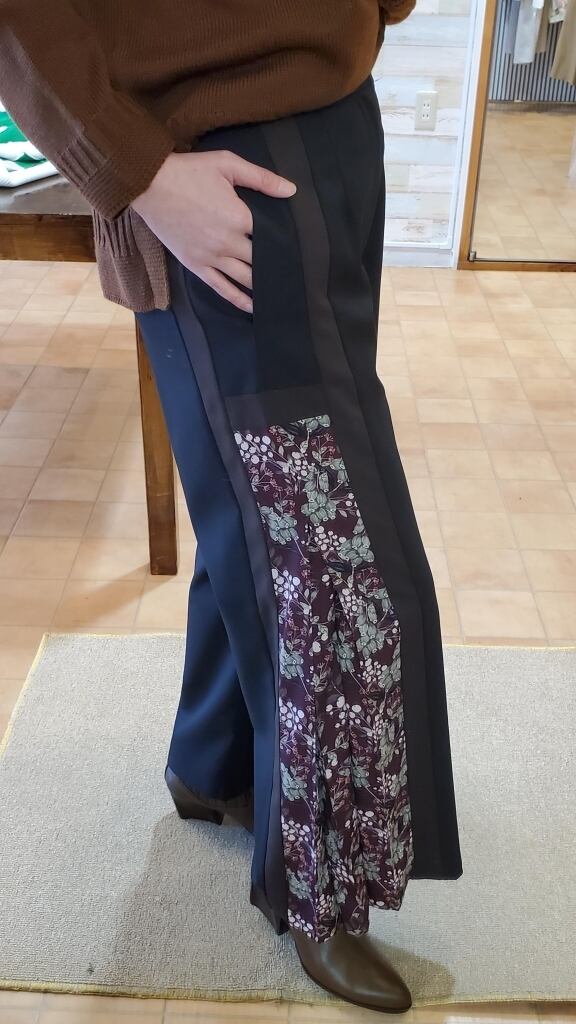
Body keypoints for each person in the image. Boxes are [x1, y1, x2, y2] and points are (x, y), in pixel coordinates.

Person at [0, 0, 463, 1012]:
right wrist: (133, 170)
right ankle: (324, 891)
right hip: (214, 168)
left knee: (259, 510)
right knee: (331, 559)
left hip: (334, 116)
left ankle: (212, 764)